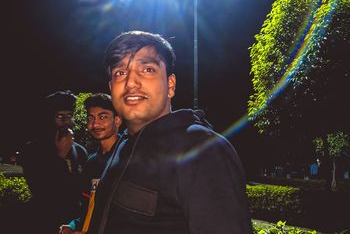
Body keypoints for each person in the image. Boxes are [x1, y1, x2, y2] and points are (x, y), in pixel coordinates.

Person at [87, 31, 252, 234]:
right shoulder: (122, 146)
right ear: (111, 87)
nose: (130, 82)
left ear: (170, 85)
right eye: (120, 73)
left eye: (147, 69)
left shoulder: (201, 150)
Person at [21, 90, 88, 233]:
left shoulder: (80, 151)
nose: (66, 121)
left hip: (73, 225)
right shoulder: (33, 149)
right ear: (50, 118)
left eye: (69, 116)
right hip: (43, 223)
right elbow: (43, 192)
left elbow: (82, 192)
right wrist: (61, 155)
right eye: (60, 116)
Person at [59, 93, 123, 234]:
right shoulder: (92, 162)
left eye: (103, 117)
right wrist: (74, 225)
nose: (95, 124)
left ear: (117, 120)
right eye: (90, 118)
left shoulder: (128, 159)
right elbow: (88, 205)